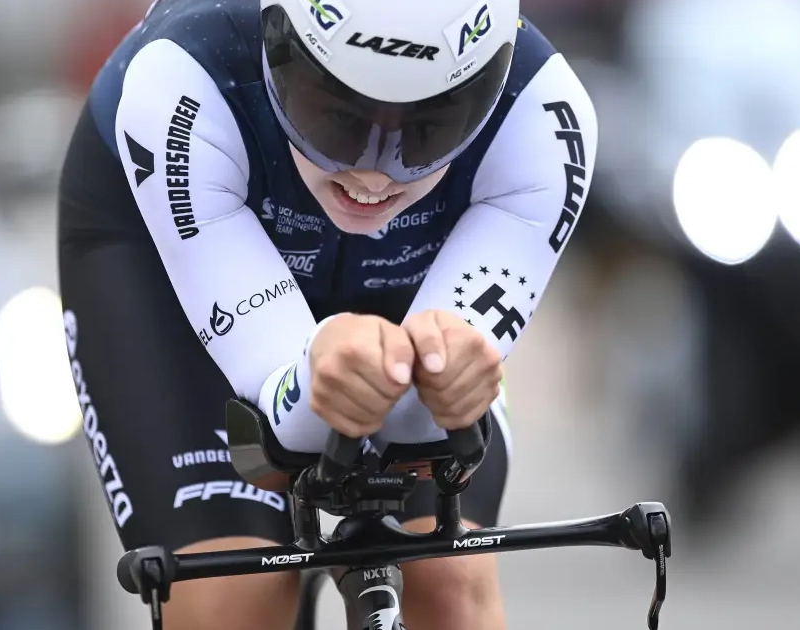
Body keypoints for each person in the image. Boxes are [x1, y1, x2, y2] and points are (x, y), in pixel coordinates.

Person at [57, 0, 597, 628]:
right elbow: (285, 416)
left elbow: (425, 425)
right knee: (231, 599)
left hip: (406, 276)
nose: (373, 178)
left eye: (430, 127)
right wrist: (319, 378)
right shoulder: (185, 77)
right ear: (279, 50)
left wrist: (448, 375)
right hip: (168, 267)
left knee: (450, 583)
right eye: (337, 117)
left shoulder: (541, 110)